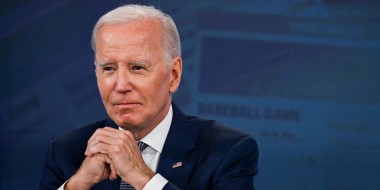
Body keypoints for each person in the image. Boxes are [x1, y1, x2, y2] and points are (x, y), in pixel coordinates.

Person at [39, 4, 258, 190]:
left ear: (173, 75)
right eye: (108, 69)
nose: (121, 85)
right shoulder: (66, 152)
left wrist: (141, 177)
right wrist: (77, 185)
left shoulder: (228, 151)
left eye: (137, 67)